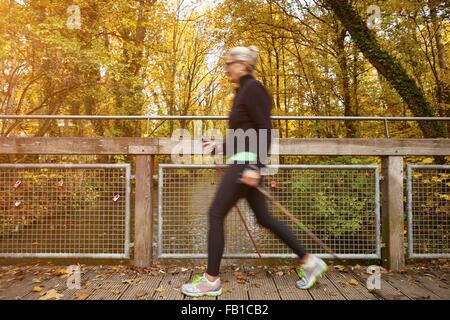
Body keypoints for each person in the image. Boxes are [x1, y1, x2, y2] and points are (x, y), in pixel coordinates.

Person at [181, 46, 327, 297]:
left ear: (243, 65)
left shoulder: (253, 89)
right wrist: (219, 146)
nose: (226, 68)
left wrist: (254, 166)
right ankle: (309, 261)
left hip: (245, 165)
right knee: (264, 218)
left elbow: (264, 129)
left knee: (215, 214)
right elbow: (243, 136)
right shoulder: (242, 93)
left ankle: (210, 280)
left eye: (230, 63)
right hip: (242, 162)